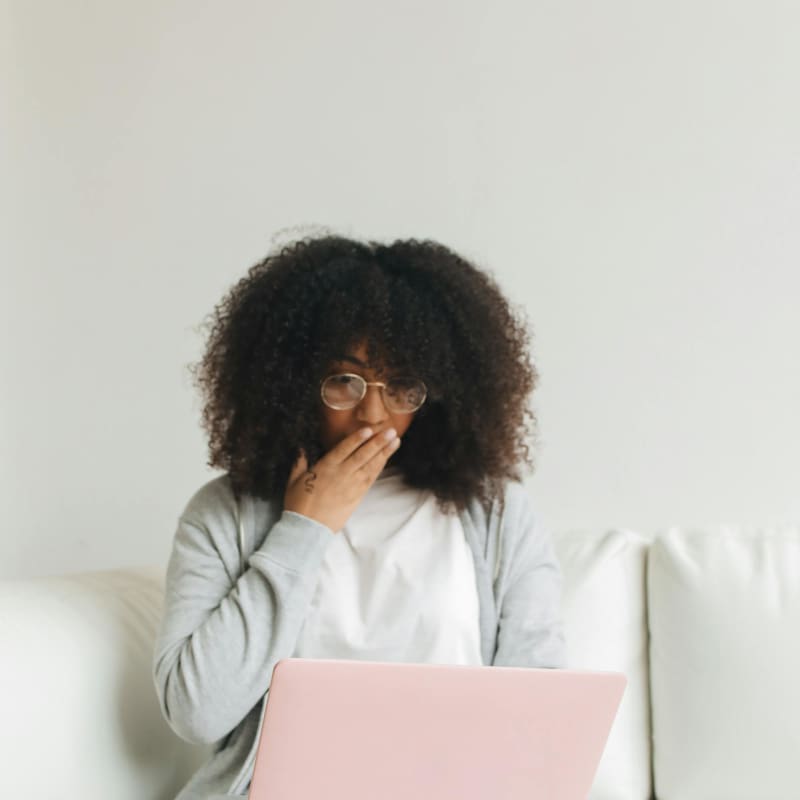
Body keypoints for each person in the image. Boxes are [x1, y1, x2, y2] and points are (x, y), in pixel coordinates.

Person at [152, 233, 567, 800]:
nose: (373, 412)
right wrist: (303, 528)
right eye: (345, 381)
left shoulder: (497, 514)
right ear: (292, 381)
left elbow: (537, 716)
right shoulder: (226, 514)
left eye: (401, 386)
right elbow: (197, 711)